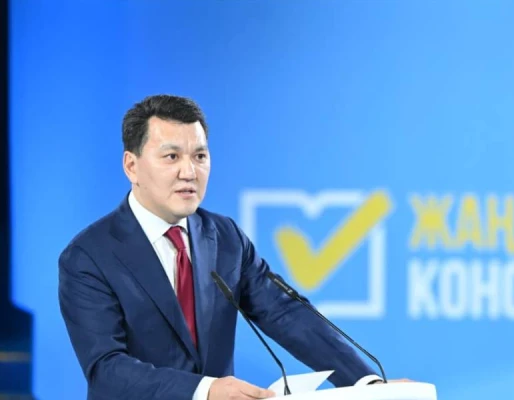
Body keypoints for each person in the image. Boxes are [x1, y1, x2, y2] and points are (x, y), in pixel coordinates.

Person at [58, 94, 402, 400]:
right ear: (131, 166)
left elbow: (285, 313)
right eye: (172, 156)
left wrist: (366, 383)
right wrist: (205, 391)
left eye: (200, 156)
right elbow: (107, 369)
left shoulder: (224, 237)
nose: (189, 172)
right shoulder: (89, 256)